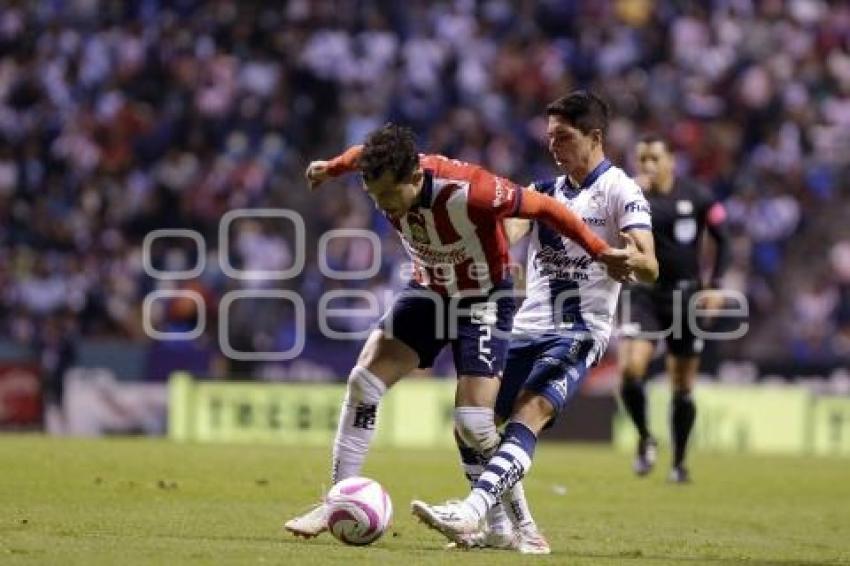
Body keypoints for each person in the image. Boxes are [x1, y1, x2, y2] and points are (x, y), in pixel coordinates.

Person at [284, 122, 636, 547]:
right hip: (430, 291)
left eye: (389, 197)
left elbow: (547, 208)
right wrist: (332, 167)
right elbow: (362, 154)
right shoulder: (384, 167)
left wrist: (601, 252)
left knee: (473, 423)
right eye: (374, 197)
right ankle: (337, 498)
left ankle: (520, 527)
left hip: (484, 299)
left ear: (415, 177)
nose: (383, 206)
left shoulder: (474, 189)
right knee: (363, 381)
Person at [410, 91, 659, 546]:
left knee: (531, 413)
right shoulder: (542, 192)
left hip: (579, 331)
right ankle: (508, 532)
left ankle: (472, 511)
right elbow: (512, 229)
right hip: (525, 328)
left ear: (595, 137)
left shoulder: (620, 190)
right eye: (549, 137)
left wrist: (618, 256)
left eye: (563, 137)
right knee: (470, 423)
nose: (553, 146)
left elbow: (649, 263)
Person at [617, 133, 730, 483]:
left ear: (671, 162)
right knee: (631, 369)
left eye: (654, 158)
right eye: (642, 159)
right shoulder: (629, 195)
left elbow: (723, 238)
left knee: (682, 384)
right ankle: (645, 437)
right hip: (644, 293)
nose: (648, 165)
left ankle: (679, 463)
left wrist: (715, 286)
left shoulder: (698, 195)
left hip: (685, 296)